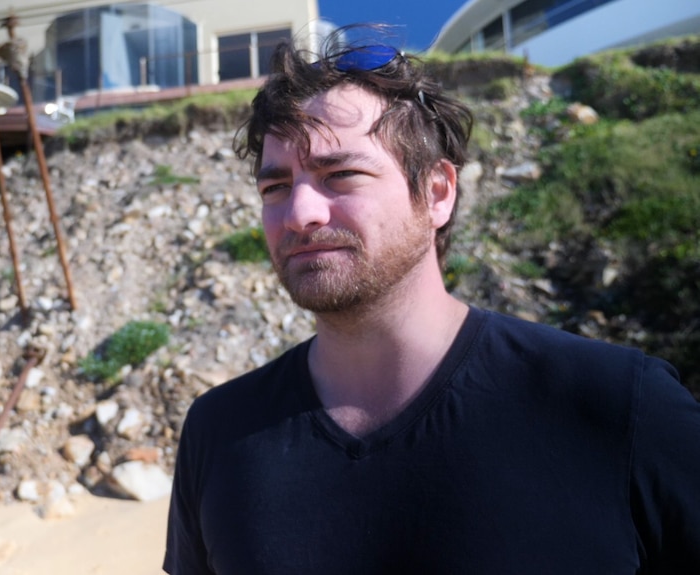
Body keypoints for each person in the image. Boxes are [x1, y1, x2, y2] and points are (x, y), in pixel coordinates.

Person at [164, 29, 700, 574]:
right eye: (275, 187)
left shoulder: (621, 407)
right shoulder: (220, 431)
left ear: (439, 192)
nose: (299, 212)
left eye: (341, 174)